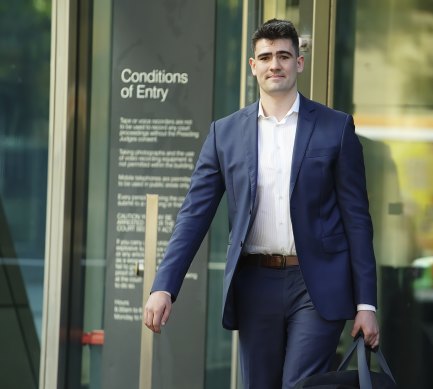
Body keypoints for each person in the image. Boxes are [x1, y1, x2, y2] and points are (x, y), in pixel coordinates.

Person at [143, 18, 379, 389]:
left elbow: (357, 220)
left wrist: (367, 303)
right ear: (253, 66)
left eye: (284, 55)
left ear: (298, 62)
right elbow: (194, 215)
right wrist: (163, 286)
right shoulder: (225, 133)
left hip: (315, 285)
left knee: (300, 385)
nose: (275, 64)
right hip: (255, 283)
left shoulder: (336, 128)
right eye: (266, 57)